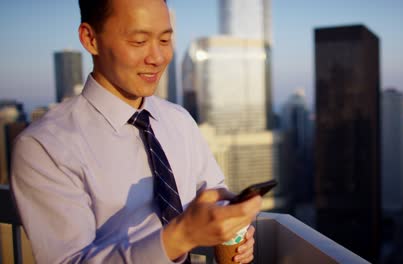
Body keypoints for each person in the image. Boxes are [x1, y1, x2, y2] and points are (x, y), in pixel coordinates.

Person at [10, 0, 262, 263]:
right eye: (139, 42)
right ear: (90, 38)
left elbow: (213, 192)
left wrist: (231, 218)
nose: (157, 58)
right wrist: (180, 236)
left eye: (165, 41)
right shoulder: (44, 146)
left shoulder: (179, 120)